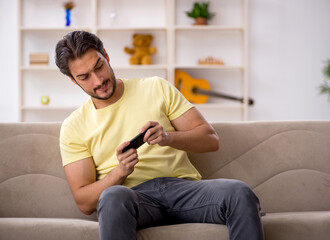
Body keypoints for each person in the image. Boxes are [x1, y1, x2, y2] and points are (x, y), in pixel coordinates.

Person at [55, 31, 264, 240]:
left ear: (106, 55)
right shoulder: (74, 126)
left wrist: (168, 138)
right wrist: (120, 172)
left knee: (239, 193)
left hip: (183, 190)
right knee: (112, 197)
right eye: (84, 77)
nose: (98, 80)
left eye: (99, 66)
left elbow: (210, 139)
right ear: (73, 80)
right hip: (133, 199)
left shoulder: (156, 87)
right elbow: (84, 202)